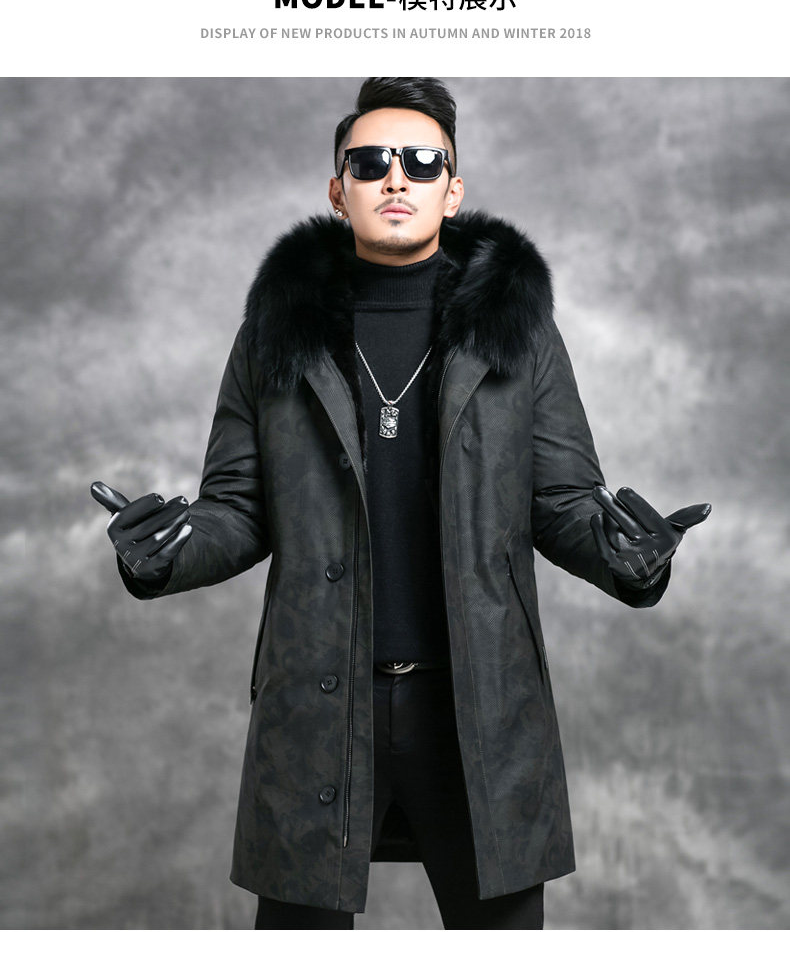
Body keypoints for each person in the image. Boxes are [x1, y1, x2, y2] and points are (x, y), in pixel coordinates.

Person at [91, 77, 711, 929]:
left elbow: (564, 500)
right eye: (370, 161)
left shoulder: (517, 330)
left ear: (451, 191)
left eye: (422, 162)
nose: (395, 177)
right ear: (337, 189)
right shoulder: (278, 330)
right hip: (319, 700)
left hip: (477, 704)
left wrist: (629, 560)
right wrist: (162, 554)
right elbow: (237, 509)